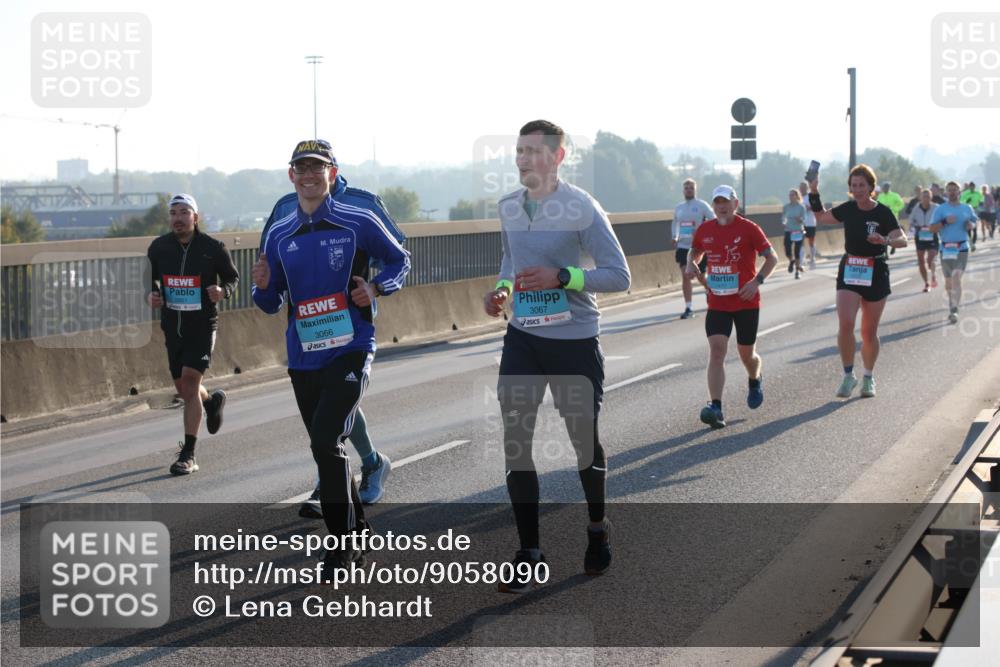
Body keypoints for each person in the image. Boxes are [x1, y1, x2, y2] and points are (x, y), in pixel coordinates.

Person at [252, 139, 410, 578]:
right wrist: (262, 284)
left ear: (332, 174)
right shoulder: (280, 232)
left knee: (326, 442)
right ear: (291, 176)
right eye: (301, 168)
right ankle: (358, 531)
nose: (309, 175)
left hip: (352, 346)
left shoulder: (357, 219)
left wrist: (376, 288)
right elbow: (268, 301)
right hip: (303, 356)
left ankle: (340, 550)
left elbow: (400, 260)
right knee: (328, 450)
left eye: (317, 168)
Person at [483, 120, 630, 593]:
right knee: (515, 442)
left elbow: (619, 275)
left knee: (582, 440)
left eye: (534, 151)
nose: (524, 159)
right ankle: (529, 553)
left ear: (558, 157)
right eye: (520, 151)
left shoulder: (582, 207)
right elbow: (510, 262)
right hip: (523, 336)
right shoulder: (508, 206)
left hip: (573, 340)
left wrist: (563, 277)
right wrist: (502, 290)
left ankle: (596, 526)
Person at [147, 194, 239, 475]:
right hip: (173, 327)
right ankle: (210, 401)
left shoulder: (213, 248)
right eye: (173, 213)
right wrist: (152, 294)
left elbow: (232, 278)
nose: (178, 217)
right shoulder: (159, 247)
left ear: (195, 217)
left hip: (202, 325)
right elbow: (150, 278)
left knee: (189, 380)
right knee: (185, 389)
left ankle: (188, 454)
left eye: (184, 212)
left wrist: (223, 291)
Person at [808, 165, 907, 398]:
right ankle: (848, 375)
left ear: (871, 187)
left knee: (868, 332)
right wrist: (814, 190)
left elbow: (901, 239)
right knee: (845, 323)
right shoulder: (849, 209)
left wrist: (884, 239)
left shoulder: (882, 212)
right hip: (851, 268)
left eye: (862, 185)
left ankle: (868, 377)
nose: (858, 189)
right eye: (854, 186)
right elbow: (821, 217)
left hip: (876, 269)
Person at [686, 185, 777, 429]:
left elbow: (772, 258)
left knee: (747, 354)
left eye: (725, 202)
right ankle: (715, 406)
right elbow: (694, 251)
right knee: (717, 351)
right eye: (717, 202)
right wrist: (691, 264)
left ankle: (755, 377)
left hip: (746, 301)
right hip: (717, 302)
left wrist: (756, 281)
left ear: (735, 204)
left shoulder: (749, 229)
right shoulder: (705, 230)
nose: (721, 206)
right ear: (713, 206)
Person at [930, 181, 979, 324]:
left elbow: (975, 221)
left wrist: (971, 224)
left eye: (954, 190)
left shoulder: (966, 208)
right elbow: (932, 228)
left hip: (962, 248)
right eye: (949, 190)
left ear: (959, 192)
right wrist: (945, 222)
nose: (952, 192)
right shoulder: (940, 209)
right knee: (948, 283)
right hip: (945, 249)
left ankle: (954, 309)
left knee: (956, 276)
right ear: (946, 192)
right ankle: (952, 303)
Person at [672, 179, 714, 319]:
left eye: (691, 188)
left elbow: (713, 219)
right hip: (683, 246)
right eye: (686, 188)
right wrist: (674, 236)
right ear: (683, 190)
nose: (689, 190)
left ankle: (709, 290)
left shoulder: (702, 205)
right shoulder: (679, 207)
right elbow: (675, 224)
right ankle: (689, 307)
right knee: (686, 275)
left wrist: (702, 232)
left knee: (701, 276)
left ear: (695, 190)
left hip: (699, 248)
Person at [908, 189, 939, 292]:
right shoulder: (916, 208)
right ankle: (926, 283)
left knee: (931, 259)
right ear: (920, 198)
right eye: (924, 196)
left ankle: (933, 275)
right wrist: (914, 227)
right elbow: (910, 220)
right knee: (921, 261)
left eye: (928, 196)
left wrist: (936, 226)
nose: (926, 199)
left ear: (931, 198)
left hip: (932, 235)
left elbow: (942, 219)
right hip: (920, 236)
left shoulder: (936, 208)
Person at [782, 188, 807, 279]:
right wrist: (783, 222)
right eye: (789, 195)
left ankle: (797, 272)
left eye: (792, 195)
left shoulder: (801, 207)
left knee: (797, 251)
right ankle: (791, 261)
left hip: (798, 231)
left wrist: (800, 220)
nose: (790, 197)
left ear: (797, 196)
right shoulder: (786, 207)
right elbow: (783, 217)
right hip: (789, 230)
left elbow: (805, 218)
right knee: (787, 249)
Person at [877, 182, 905, 257]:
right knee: (884, 235)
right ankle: (885, 253)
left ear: (889, 188)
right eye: (884, 187)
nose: (885, 188)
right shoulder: (880, 196)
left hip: (893, 218)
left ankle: (894, 246)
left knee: (894, 235)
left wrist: (894, 209)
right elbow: (877, 205)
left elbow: (901, 204)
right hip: (882, 219)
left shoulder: (895, 195)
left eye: (887, 187)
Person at [799, 181, 819, 268]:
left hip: (811, 222)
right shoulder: (798, 198)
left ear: (806, 188)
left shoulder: (810, 197)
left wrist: (808, 207)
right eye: (800, 188)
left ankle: (812, 258)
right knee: (800, 241)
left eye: (803, 187)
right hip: (801, 223)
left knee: (811, 241)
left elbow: (816, 207)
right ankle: (801, 260)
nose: (801, 189)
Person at [960, 182, 984, 251]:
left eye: (973, 186)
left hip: (976, 209)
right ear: (969, 187)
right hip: (967, 210)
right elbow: (961, 201)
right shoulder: (965, 193)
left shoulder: (978, 193)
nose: (972, 188)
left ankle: (973, 242)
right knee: (969, 228)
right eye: (970, 186)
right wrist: (966, 201)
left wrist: (980, 204)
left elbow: (982, 200)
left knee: (975, 228)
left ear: (974, 187)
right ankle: (971, 244)